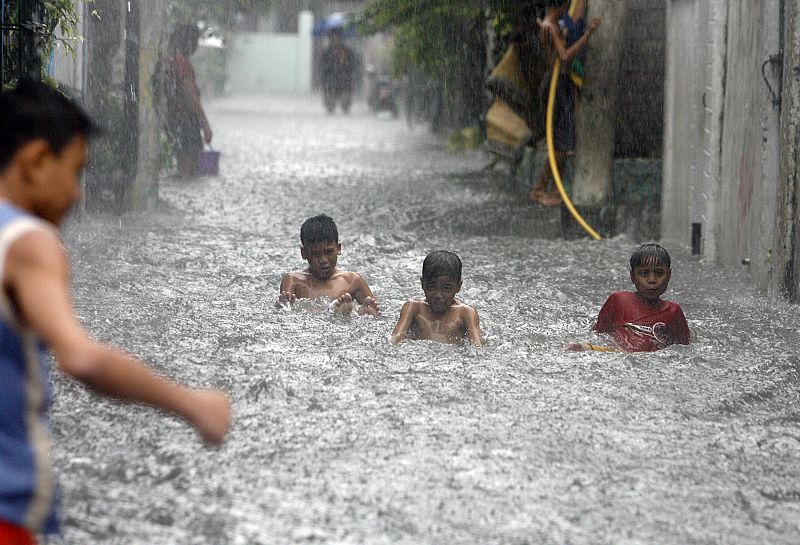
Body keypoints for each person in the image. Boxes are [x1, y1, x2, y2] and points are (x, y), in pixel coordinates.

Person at [0, 80, 231, 543]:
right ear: (36, 161)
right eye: (75, 172)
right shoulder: (27, 241)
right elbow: (81, 358)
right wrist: (191, 403)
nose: (78, 195)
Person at [530, 0, 601, 206]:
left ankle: (555, 190)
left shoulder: (552, 25)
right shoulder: (550, 27)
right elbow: (565, 56)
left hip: (561, 84)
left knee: (562, 143)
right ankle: (540, 188)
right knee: (559, 145)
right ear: (559, 6)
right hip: (557, 85)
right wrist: (587, 34)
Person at [568, 244, 691, 352]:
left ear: (669, 275)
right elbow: (598, 334)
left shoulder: (674, 312)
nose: (652, 280)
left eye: (659, 273)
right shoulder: (618, 301)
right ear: (632, 276)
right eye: (644, 273)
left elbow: (684, 349)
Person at [278, 214, 379, 316]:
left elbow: (379, 314)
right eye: (315, 254)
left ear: (338, 248)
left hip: (342, 329)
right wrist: (283, 306)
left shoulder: (353, 280)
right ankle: (339, 314)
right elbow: (284, 316)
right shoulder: (293, 280)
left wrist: (371, 312)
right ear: (303, 253)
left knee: (364, 312)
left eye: (329, 252)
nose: (323, 260)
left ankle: (354, 314)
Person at [391, 251, 483, 346]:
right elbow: (395, 340)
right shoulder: (414, 307)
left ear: (458, 287)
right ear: (422, 284)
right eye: (431, 286)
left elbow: (477, 346)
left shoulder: (465, 312)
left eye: (446, 288)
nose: (438, 295)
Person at [162, 23, 212, 177]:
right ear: (188, 41)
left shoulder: (170, 60)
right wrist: (205, 124)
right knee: (190, 170)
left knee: (182, 165)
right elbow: (191, 96)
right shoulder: (182, 63)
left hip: (174, 120)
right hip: (186, 122)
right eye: (195, 41)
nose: (196, 46)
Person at [320, 28, 357, 114]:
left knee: (345, 107)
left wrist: (344, 61)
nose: (335, 39)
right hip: (330, 82)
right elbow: (323, 67)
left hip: (345, 81)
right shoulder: (327, 52)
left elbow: (352, 65)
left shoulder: (347, 51)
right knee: (330, 108)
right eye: (333, 37)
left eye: (337, 37)